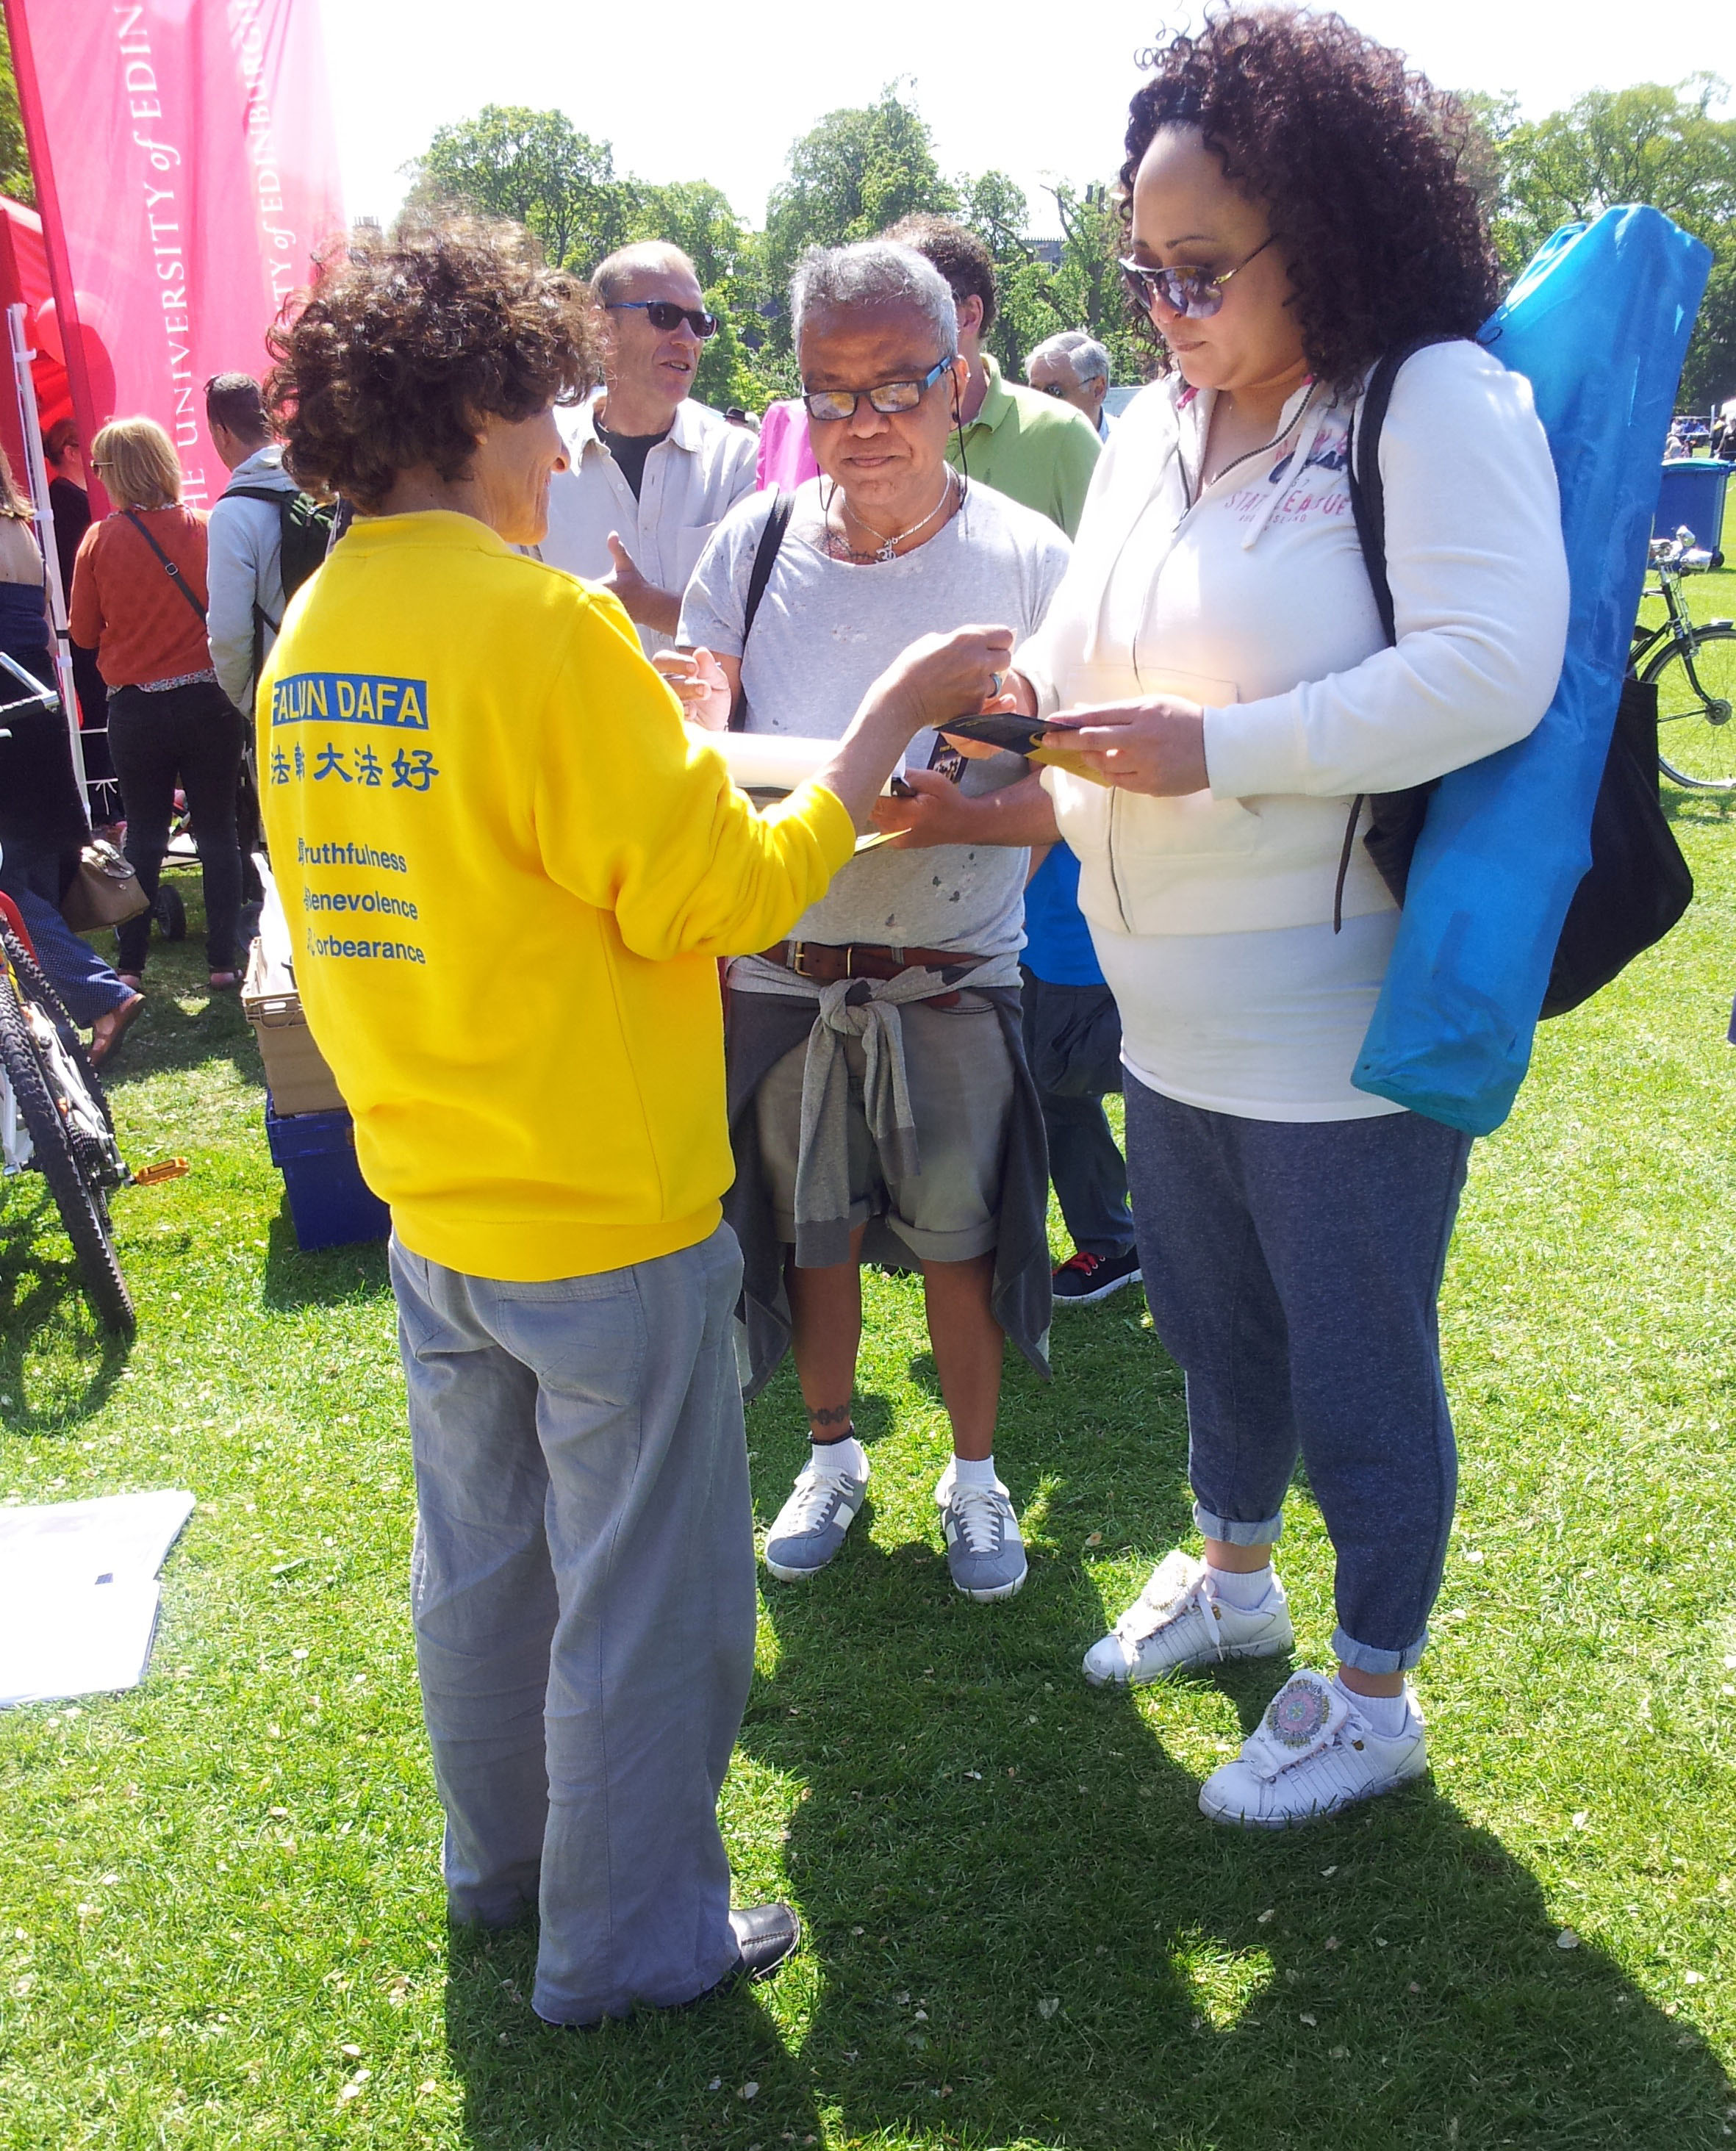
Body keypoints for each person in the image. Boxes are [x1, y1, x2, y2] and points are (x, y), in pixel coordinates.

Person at [256, 213, 1009, 2027]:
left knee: (487, 1575)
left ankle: (506, 1869)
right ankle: (629, 1940)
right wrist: (886, 722)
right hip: (604, 1206)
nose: (562, 445)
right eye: (548, 407)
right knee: (645, 1601)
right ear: (480, 413)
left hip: (438, 1203)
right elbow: (718, 895)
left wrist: (653, 734)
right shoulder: (541, 623)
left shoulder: (317, 624)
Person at [995, 7, 1569, 1828]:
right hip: (1160, 998)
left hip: (1338, 1012)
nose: (1164, 307)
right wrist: (999, 720)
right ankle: (1234, 1577)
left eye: (1199, 267)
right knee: (1209, 1323)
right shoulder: (1148, 425)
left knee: (1355, 1357)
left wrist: (1219, 749)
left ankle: (1373, 1686)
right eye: (1139, 270)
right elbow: (1074, 653)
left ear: (1319, 231)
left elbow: (1490, 666)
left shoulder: (1427, 396)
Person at [673, 240, 1070, 1604]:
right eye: (829, 393)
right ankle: (830, 1452)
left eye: (897, 385)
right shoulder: (752, 543)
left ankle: (975, 1473)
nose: (864, 423)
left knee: (963, 1244)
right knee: (810, 1238)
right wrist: (690, 725)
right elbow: (699, 752)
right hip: (782, 969)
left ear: (958, 377)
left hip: (951, 968)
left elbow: (1082, 796)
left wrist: (963, 819)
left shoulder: (1029, 559)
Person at [68, 417, 247, 992]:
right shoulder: (206, 528)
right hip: (208, 700)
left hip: (137, 708)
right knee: (218, 831)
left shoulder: (98, 540)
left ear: (117, 473)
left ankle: (131, 964)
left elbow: (83, 633)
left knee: (144, 834)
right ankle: (223, 961)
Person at [537, 242, 756, 654]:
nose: (688, 339)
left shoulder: (738, 462)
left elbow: (759, 628)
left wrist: (647, 605)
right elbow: (512, 620)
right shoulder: (542, 458)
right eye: (664, 315)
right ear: (601, 329)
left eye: (700, 323)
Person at [0, 446, 142, 1062]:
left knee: (10, 885)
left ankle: (99, 995)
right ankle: (47, 1024)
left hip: (7, 711)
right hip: (38, 708)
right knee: (30, 869)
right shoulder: (21, 529)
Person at [885, 215, 1101, 539]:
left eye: (906, 308)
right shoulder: (867, 436)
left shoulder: (1062, 436)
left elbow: (1118, 568)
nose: (882, 332)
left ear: (968, 316)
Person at [203, 373, 299, 717]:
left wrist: (247, 700)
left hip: (280, 695)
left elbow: (229, 632)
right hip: (342, 684)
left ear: (221, 432)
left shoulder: (231, 514)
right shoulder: (319, 486)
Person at [43, 418, 120, 827]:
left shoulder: (74, 500)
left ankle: (112, 799)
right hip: (86, 624)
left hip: (93, 623)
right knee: (98, 709)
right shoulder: (65, 502)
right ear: (70, 452)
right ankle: (106, 801)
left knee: (103, 709)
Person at [1027, 330, 1114, 439]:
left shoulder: (1127, 444)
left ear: (1098, 390)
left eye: (1054, 392)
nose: (1040, 405)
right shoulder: (1021, 445)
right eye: (1034, 393)